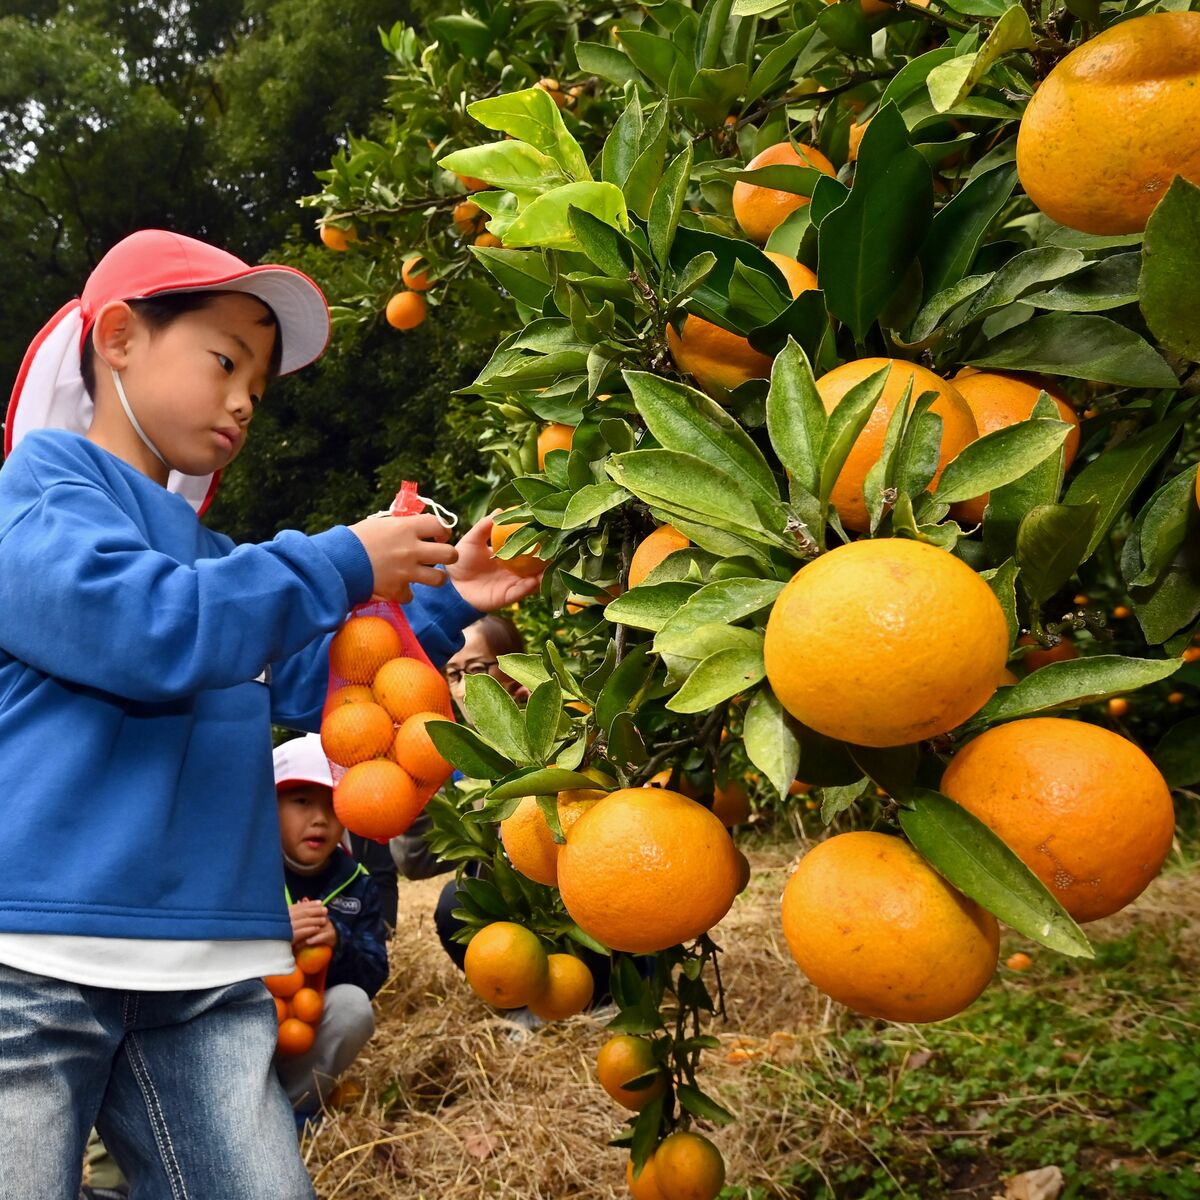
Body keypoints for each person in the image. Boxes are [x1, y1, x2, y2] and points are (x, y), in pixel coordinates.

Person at [0, 229, 540, 1200]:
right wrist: (339, 559)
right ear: (119, 338)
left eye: (259, 379)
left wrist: (449, 592)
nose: (246, 397)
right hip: (37, 955)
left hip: (203, 970)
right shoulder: (37, 499)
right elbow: (153, 630)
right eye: (224, 359)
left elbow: (308, 679)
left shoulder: (210, 557)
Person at [273, 734, 386, 1117]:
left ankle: (293, 1110)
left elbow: (374, 972)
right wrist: (270, 933)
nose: (319, 818)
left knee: (354, 1007)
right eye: (302, 801)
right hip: (249, 1027)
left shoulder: (357, 880)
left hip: (307, 1031)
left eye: (333, 805)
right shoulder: (248, 875)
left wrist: (339, 940)